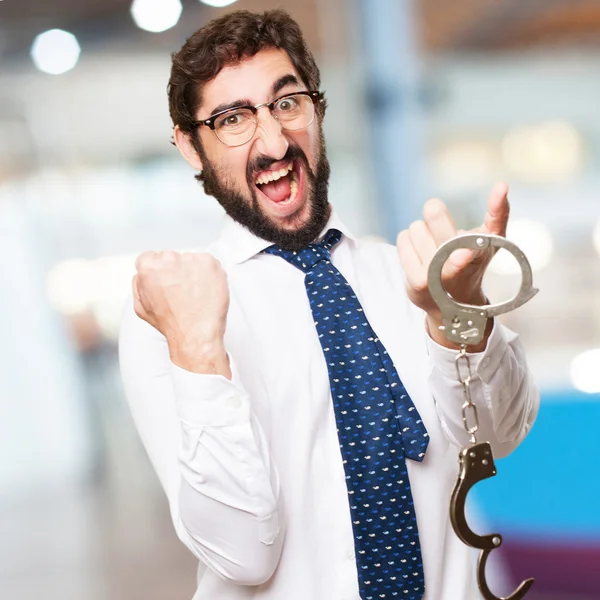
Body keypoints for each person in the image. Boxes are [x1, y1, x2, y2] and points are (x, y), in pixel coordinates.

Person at [118, 9, 539, 600]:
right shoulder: (165, 322)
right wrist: (197, 350)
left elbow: (499, 433)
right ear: (191, 146)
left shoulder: (411, 273)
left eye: (286, 103)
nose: (273, 140)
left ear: (316, 111)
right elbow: (242, 556)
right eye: (233, 118)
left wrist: (457, 317)